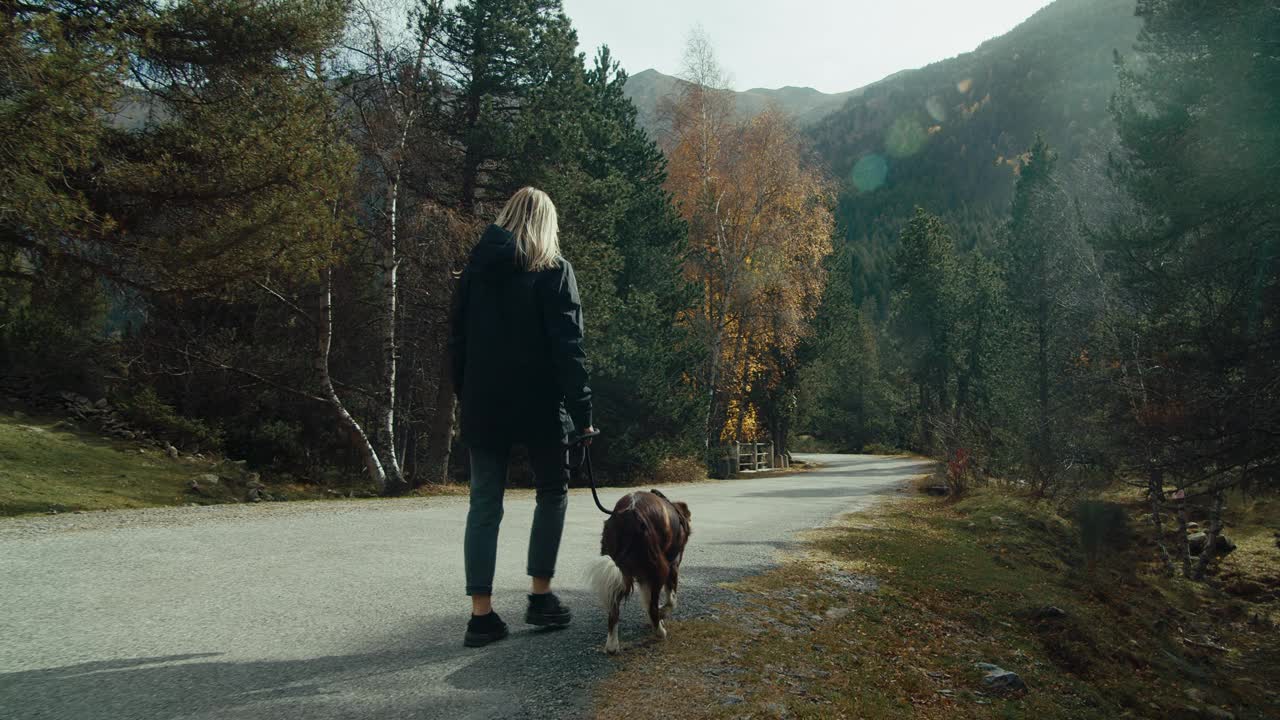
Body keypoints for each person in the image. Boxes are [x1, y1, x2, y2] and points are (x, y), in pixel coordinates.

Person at [449, 186, 596, 648]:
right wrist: (583, 413)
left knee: (484, 503)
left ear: (508, 217)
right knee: (552, 492)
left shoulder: (476, 270)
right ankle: (540, 596)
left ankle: (481, 616)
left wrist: (465, 396)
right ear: (547, 224)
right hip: (539, 405)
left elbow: (456, 342)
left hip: (484, 402)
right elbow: (568, 348)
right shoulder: (555, 271)